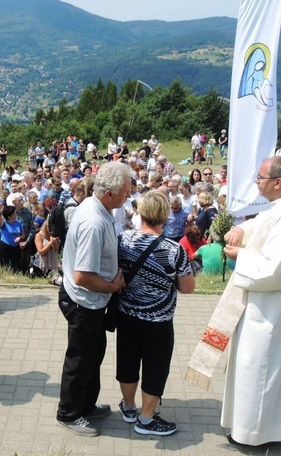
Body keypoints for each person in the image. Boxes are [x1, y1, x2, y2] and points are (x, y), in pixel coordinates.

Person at [220, 156, 281, 446]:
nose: (256, 182)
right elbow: (260, 225)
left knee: (259, 367)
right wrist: (240, 230)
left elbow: (277, 270)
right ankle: (247, 426)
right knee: (252, 365)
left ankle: (254, 435)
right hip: (262, 303)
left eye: (260, 177)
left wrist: (240, 256)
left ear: (278, 182)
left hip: (271, 308)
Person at [56, 161, 130, 437]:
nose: (128, 195)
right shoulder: (93, 222)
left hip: (92, 302)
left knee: (93, 354)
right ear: (109, 193)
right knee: (80, 358)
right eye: (125, 190)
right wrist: (113, 286)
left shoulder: (97, 208)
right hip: (84, 302)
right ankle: (69, 413)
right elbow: (83, 276)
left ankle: (85, 405)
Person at [116, 191, 195, 436]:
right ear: (165, 215)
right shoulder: (174, 249)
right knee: (155, 367)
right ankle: (147, 419)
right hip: (158, 319)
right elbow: (188, 288)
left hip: (126, 314)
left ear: (140, 212)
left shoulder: (124, 239)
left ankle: (129, 408)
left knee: (127, 361)